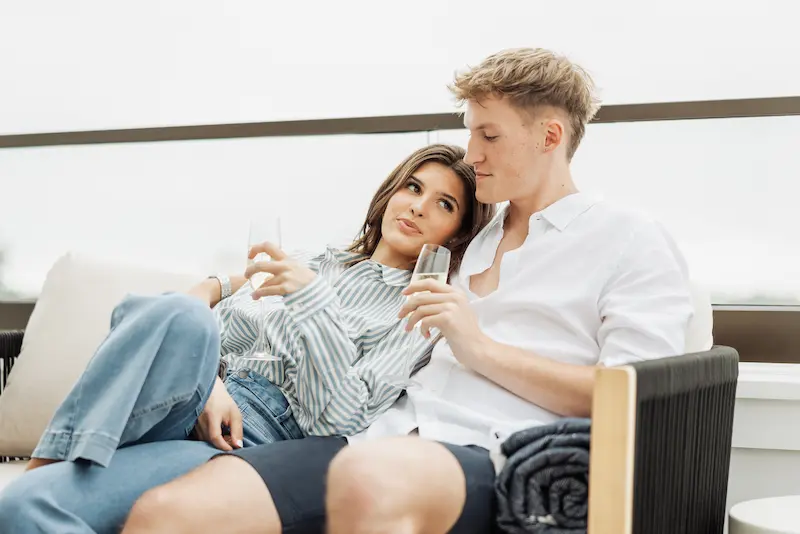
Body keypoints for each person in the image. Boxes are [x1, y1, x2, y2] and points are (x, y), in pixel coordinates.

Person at [110, 47, 695, 534]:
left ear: (550, 135)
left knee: (372, 478)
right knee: (167, 513)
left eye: (489, 135)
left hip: (487, 450)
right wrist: (220, 287)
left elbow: (637, 398)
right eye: (471, 133)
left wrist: (478, 348)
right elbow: (330, 274)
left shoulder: (626, 238)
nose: (472, 154)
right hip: (370, 434)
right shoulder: (468, 240)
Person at [0, 144, 494, 532]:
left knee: (23, 507)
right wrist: (211, 380)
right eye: (413, 187)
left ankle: (46, 468)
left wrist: (314, 303)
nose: (418, 207)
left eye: (443, 203)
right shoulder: (310, 260)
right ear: (391, 192)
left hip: (242, 438)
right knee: (175, 312)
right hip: (189, 394)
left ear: (456, 234)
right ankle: (51, 459)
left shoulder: (416, 311)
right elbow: (182, 327)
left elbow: (338, 418)